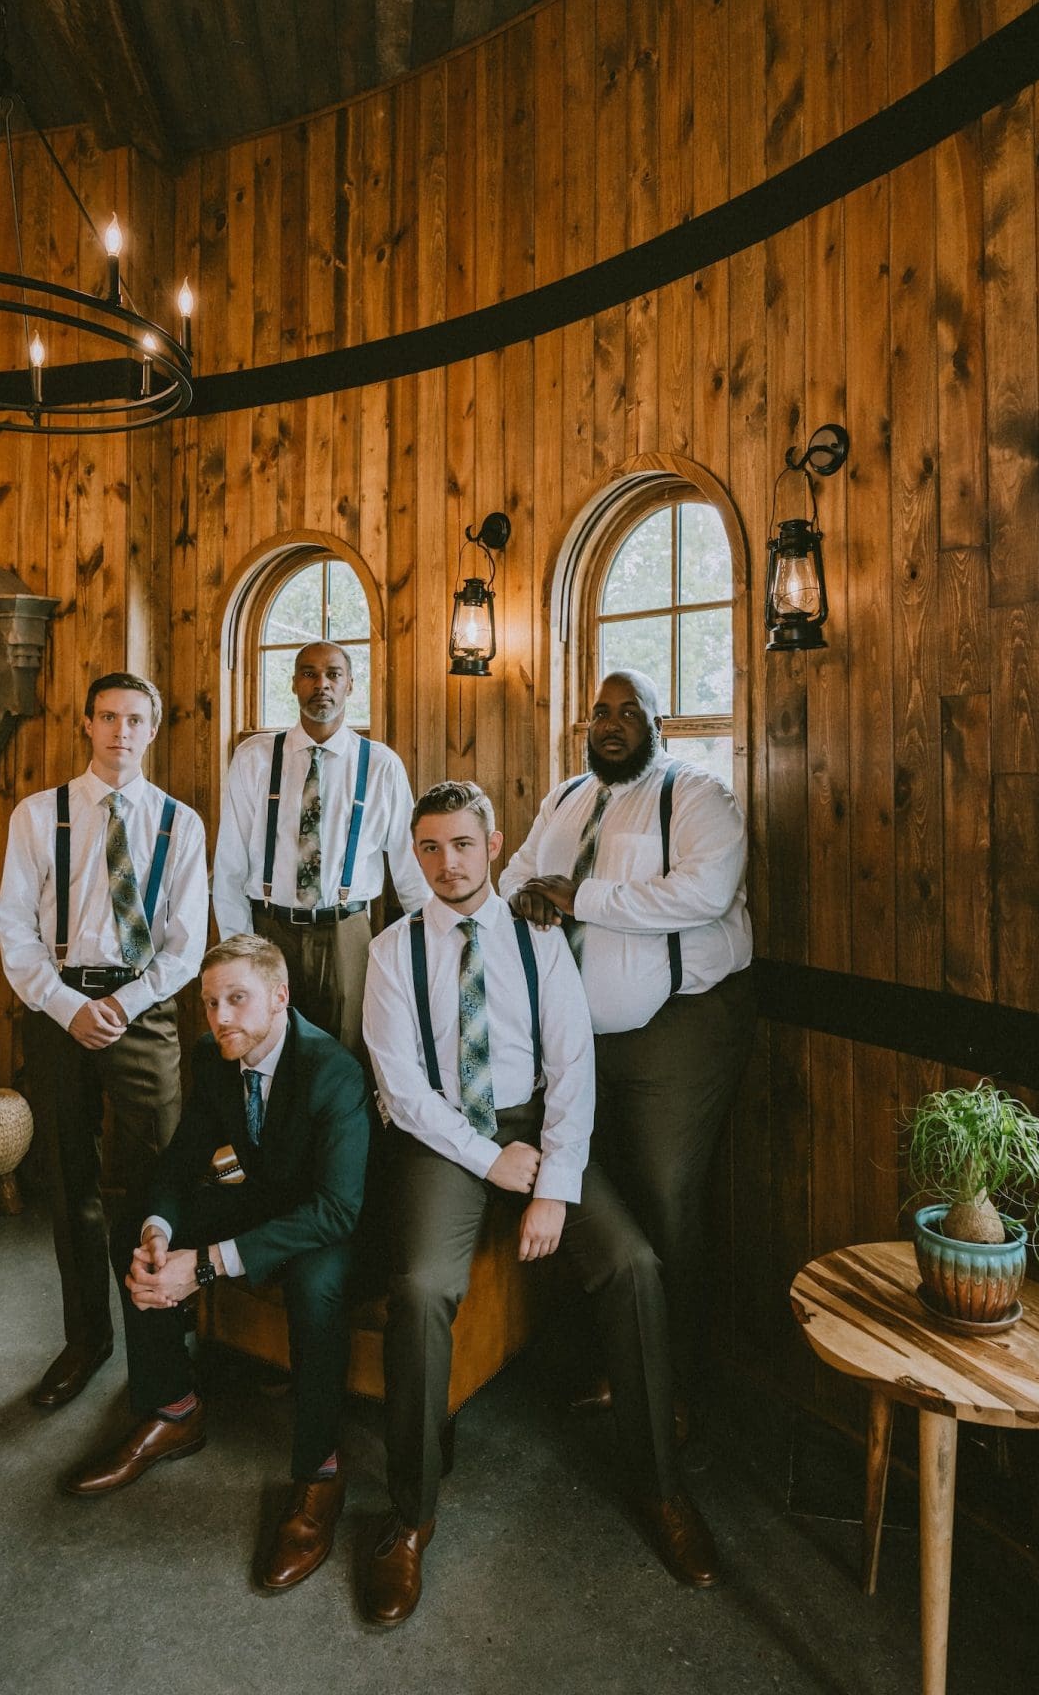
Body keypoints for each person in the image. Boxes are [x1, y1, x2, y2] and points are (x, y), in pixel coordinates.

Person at [357, 779, 719, 1629]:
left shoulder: (537, 939)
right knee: (420, 1291)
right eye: (431, 848)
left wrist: (554, 1185)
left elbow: (573, 1066)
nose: (448, 863)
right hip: (446, 1139)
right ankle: (409, 1517)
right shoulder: (391, 951)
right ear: (417, 854)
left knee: (633, 1266)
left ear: (493, 845)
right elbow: (402, 1092)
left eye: (463, 845)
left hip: (538, 1129)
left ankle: (661, 1488)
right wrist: (490, 1160)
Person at [64, 934, 371, 1594]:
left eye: (237, 998)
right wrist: (159, 1231)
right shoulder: (213, 1054)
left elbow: (337, 1210)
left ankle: (319, 1474)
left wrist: (203, 1266)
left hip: (327, 1222)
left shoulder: (333, 1069)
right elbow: (182, 1160)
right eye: (209, 1002)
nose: (220, 1016)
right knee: (133, 1228)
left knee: (315, 1288)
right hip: (261, 1200)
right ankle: (173, 1410)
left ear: (279, 997)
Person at [498, 668, 755, 1411]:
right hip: (574, 1038)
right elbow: (516, 875)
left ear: (657, 724)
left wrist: (579, 897)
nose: (610, 725)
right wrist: (526, 899)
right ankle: (614, 1365)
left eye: (628, 713)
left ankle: (677, 1392)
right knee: (596, 1199)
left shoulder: (698, 796)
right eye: (599, 713)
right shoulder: (565, 798)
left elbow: (705, 893)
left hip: (676, 1029)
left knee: (665, 1195)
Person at [0, 671, 208, 1412]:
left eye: (135, 719)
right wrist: (66, 1006)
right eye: (108, 717)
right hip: (58, 1008)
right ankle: (86, 1339)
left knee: (160, 1176)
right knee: (69, 1176)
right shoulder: (37, 815)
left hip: (142, 1010)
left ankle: (163, 1332)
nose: (122, 731)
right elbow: (15, 930)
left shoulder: (181, 824)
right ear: (86, 725)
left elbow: (185, 944)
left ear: (153, 729)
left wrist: (121, 1003)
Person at [212, 640, 429, 1055]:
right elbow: (230, 866)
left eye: (333, 674)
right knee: (269, 1052)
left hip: (348, 933)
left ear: (350, 685)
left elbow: (410, 870)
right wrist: (239, 953)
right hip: (269, 929)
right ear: (294, 683)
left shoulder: (380, 765)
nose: (321, 684)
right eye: (309, 674)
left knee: (348, 1054)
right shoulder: (255, 758)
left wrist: (429, 950)